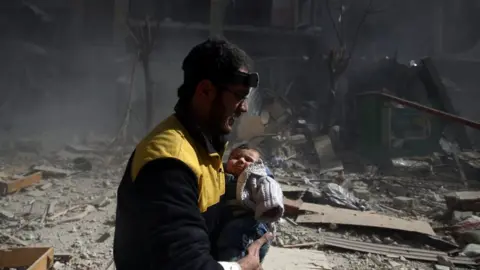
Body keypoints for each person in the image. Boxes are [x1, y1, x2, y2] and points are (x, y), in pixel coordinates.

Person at [113, 38, 272, 270]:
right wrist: (240, 268)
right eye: (238, 96)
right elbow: (184, 264)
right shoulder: (169, 164)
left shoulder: (204, 148)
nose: (244, 108)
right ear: (206, 91)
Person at [217, 144, 282, 263]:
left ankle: (232, 263)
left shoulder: (257, 178)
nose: (241, 160)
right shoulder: (220, 174)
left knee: (233, 233)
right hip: (228, 219)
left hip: (252, 222)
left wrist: (270, 208)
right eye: (235, 157)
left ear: (257, 165)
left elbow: (270, 192)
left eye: (248, 160)